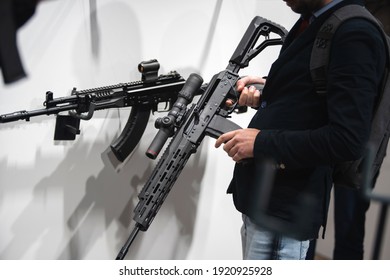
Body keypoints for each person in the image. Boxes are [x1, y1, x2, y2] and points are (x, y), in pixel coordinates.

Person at [215, 0, 387, 260]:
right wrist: (267, 88)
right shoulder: (318, 19)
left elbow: (347, 140)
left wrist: (261, 142)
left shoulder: (355, 32)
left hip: (285, 210)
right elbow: (314, 97)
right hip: (265, 200)